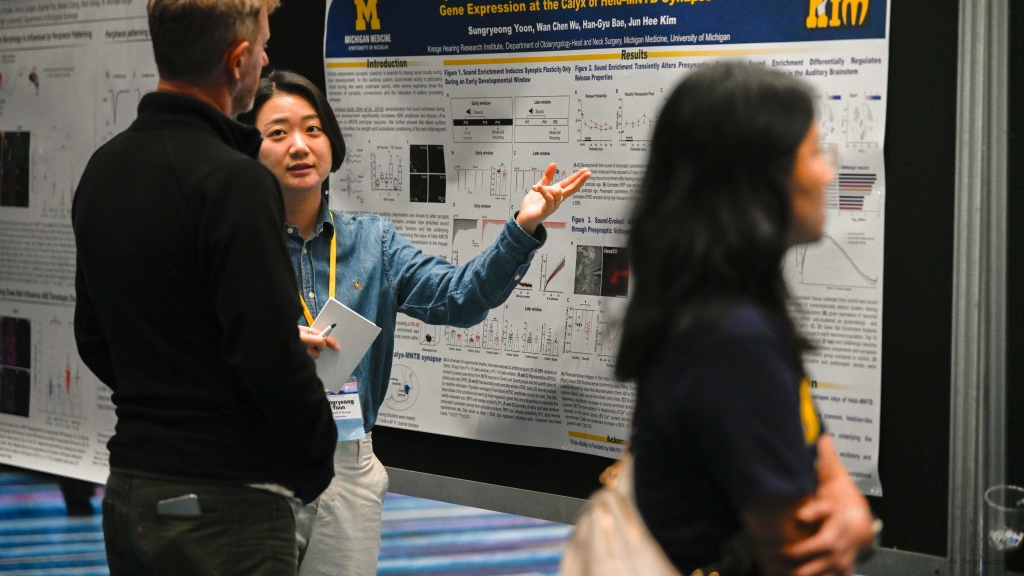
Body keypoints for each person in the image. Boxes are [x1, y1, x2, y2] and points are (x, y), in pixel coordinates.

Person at [238, 69, 591, 575]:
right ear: (248, 150)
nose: (300, 145)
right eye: (278, 133)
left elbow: (458, 298)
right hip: (255, 459)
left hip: (347, 464)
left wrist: (522, 227)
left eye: (313, 129)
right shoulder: (233, 243)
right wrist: (267, 345)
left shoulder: (372, 243)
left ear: (331, 142)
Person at [72, 0, 336, 575]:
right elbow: (267, 355)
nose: (266, 61)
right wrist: (316, 452)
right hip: (226, 506)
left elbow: (93, 337)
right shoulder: (234, 182)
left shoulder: (103, 169)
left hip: (131, 490)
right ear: (237, 60)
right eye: (263, 47)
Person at [615, 62, 876, 576]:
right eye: (814, 153)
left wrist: (852, 508)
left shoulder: (724, 309)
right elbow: (799, 553)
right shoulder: (730, 339)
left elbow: (811, 436)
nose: (828, 173)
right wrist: (861, 525)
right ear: (757, 182)